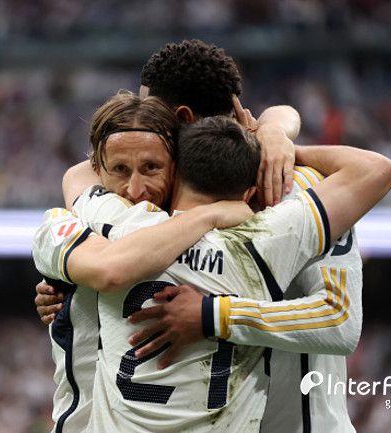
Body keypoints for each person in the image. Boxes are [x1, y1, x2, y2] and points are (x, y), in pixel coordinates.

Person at [37, 39, 364, 432]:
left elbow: (338, 320)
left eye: (152, 111)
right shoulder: (151, 193)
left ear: (183, 117)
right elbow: (83, 179)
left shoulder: (305, 190)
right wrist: (69, 284)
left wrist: (215, 315)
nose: (142, 121)